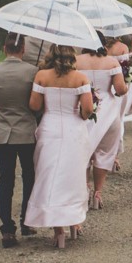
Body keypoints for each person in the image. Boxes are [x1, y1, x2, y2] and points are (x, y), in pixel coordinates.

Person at [24, 45, 93, 249]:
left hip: (50, 128)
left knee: (50, 175)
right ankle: (74, 223)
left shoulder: (42, 76)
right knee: (73, 175)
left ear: (51, 55)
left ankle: (58, 232)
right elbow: (88, 109)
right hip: (74, 130)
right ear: (72, 56)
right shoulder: (80, 78)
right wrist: (80, 114)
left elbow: (34, 106)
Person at [0, 35, 38, 248]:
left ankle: (7, 228)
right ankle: (27, 220)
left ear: (4, 49)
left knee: (5, 181)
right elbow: (36, 104)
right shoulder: (32, 72)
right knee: (29, 177)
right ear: (23, 49)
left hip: (2, 133)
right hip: (26, 132)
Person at [76, 35, 128, 211]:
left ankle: (84, 188)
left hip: (83, 110)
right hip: (108, 112)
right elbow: (120, 90)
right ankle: (98, 193)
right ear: (102, 43)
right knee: (104, 152)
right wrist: (125, 86)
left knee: (83, 149)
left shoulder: (75, 61)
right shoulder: (112, 63)